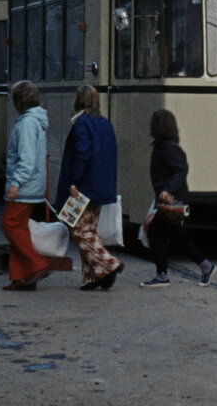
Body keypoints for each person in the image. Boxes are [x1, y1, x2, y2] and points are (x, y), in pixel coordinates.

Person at [54, 85, 124, 291]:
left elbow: (82, 154)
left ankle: (109, 264)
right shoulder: (106, 124)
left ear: (78, 101)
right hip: (101, 184)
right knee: (90, 229)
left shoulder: (81, 123)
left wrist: (73, 182)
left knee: (79, 230)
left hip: (84, 186)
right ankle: (92, 277)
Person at [139, 109, 216, 288]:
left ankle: (162, 275)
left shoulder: (166, 147)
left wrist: (167, 190)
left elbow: (180, 170)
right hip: (171, 198)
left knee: (156, 234)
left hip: (171, 200)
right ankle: (205, 266)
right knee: (177, 235)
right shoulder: (167, 145)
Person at [0, 80, 52, 291]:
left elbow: (27, 159)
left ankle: (36, 264)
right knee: (20, 228)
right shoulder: (35, 121)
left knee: (9, 224)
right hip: (33, 184)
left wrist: (16, 182)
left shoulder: (27, 124)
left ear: (18, 101)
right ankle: (21, 277)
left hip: (25, 187)